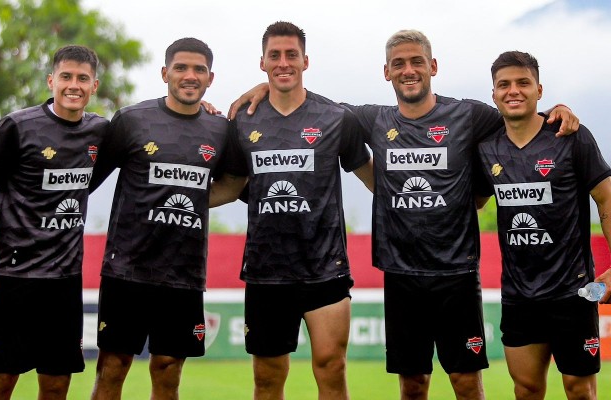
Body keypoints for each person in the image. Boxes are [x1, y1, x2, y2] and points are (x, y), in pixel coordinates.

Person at [229, 30, 579, 400]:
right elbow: (306, 104)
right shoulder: (371, 120)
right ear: (386, 72)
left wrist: (556, 110)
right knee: (412, 386)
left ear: (433, 66)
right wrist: (267, 85)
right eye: (399, 64)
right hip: (400, 276)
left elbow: (519, 115)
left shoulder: (469, 115)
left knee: (465, 382)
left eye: (416, 62)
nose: (408, 70)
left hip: (456, 275)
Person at [210, 21, 373, 400]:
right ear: (263, 63)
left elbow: (374, 180)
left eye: (291, 55)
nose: (284, 63)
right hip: (267, 270)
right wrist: (168, 197)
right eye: (275, 56)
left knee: (331, 370)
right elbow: (231, 186)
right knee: (267, 380)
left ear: (305, 61)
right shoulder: (243, 120)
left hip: (325, 269)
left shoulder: (335, 118)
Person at [88, 38, 229, 400]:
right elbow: (85, 181)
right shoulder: (132, 120)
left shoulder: (220, 129)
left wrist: (196, 201)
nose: (189, 75)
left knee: (168, 370)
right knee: (113, 368)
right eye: (181, 67)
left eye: (199, 69)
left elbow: (238, 180)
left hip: (183, 273)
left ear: (210, 78)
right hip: (127, 270)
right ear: (165, 72)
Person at [474, 50, 611, 400]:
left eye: (523, 82)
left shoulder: (570, 135)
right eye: (503, 85)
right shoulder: (486, 149)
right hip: (519, 296)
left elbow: (606, 199)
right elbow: (471, 202)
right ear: (493, 94)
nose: (513, 90)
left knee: (580, 390)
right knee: (527, 389)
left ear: (539, 90)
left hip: (575, 293)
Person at [0, 45, 106, 399]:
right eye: (66, 77)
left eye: (82, 78)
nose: (73, 85)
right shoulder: (17, 126)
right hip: (13, 277)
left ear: (94, 86)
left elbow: (155, 127)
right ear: (51, 81)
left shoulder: (101, 133)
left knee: (57, 384)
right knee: (1, 383)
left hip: (64, 281)